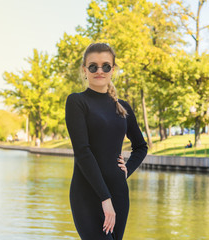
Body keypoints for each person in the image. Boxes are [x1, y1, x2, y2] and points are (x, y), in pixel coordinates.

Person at [65, 43, 148, 240]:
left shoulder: (123, 107)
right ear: (85, 71)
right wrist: (105, 198)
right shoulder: (77, 102)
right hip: (87, 193)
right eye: (93, 66)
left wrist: (127, 168)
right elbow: (83, 152)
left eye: (106, 66)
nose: (99, 71)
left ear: (113, 70)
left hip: (118, 193)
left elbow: (141, 147)